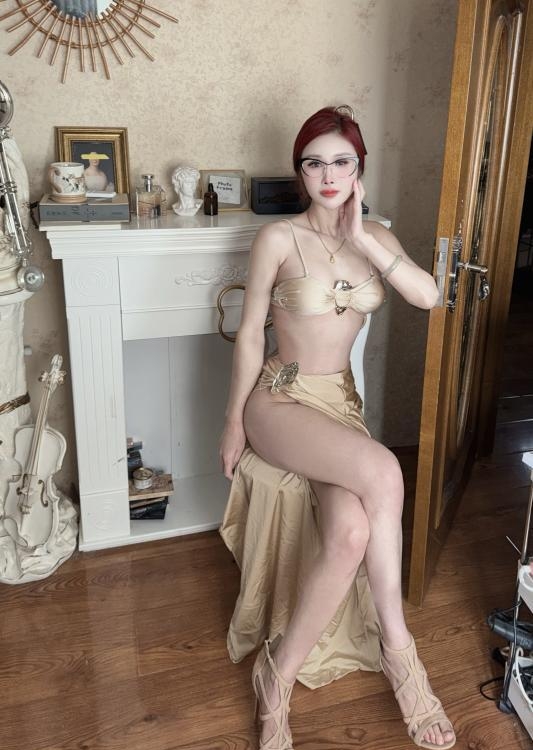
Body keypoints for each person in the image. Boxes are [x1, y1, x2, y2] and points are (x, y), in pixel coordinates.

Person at [219, 106, 456, 750]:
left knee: (351, 532)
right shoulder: (278, 238)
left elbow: (430, 296)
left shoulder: (375, 235)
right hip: (281, 400)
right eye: (314, 163)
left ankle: (276, 679)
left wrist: (365, 239)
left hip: (339, 408)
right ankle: (402, 656)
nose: (328, 175)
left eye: (341, 162)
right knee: (385, 469)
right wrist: (233, 421)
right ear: (299, 172)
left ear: (359, 169)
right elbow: (249, 335)